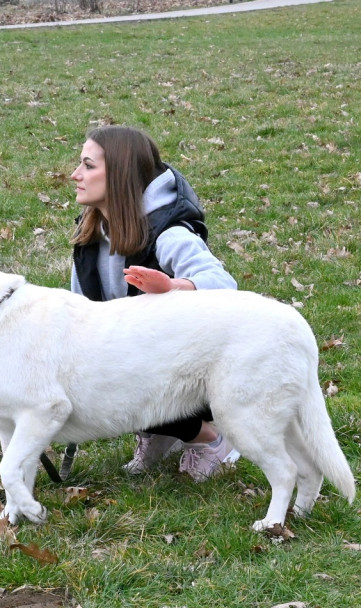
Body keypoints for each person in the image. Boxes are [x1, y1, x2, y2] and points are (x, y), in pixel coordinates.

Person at [69, 125, 239, 481]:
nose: (75, 174)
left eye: (88, 165)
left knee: (118, 372)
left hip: (199, 369)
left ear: (119, 174)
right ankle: (159, 432)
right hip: (144, 356)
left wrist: (173, 287)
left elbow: (225, 286)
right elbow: (79, 310)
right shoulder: (90, 236)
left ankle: (209, 440)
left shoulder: (169, 233)